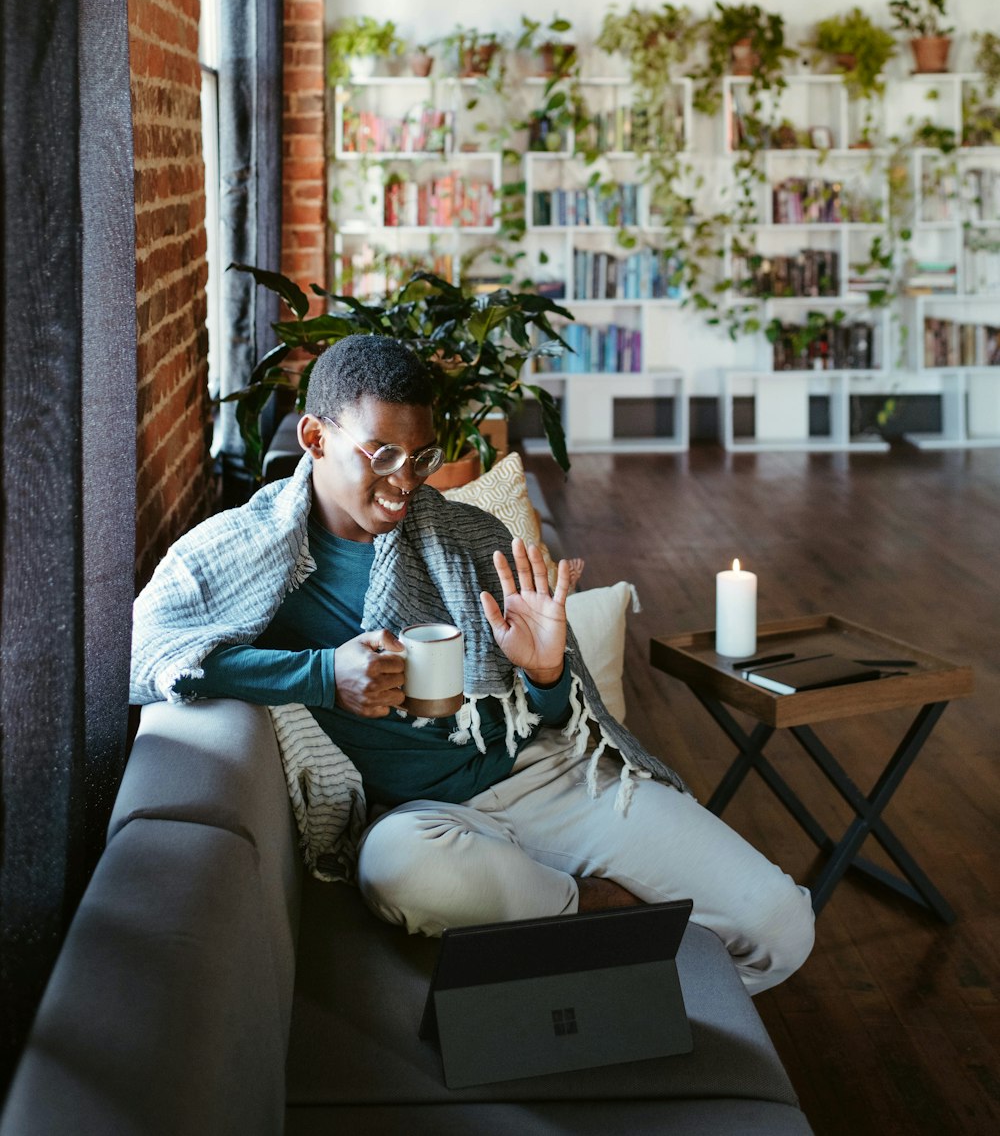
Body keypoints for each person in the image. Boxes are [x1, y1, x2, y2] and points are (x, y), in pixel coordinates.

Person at [130, 335, 814, 994]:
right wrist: (321, 676)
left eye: (421, 458)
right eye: (383, 454)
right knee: (397, 873)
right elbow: (145, 655)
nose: (405, 483)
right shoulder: (245, 552)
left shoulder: (468, 539)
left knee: (781, 926)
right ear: (315, 438)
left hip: (544, 774)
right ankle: (594, 911)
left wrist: (546, 674)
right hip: (420, 818)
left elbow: (554, 716)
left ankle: (621, 979)